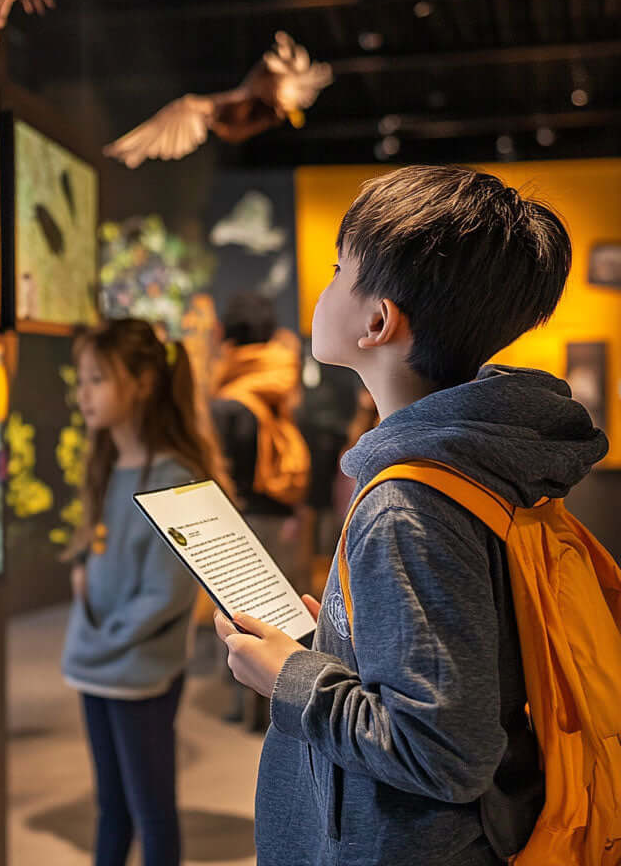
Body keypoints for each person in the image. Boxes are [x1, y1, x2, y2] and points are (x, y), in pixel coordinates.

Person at [215, 167, 608, 866]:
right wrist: (336, 653)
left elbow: (442, 750)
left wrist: (288, 679)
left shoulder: (409, 505)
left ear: (377, 321)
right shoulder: (481, 460)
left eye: (340, 270)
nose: (323, 287)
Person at [61, 318, 231, 866]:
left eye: (97, 379)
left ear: (141, 383)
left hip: (138, 672)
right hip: (99, 664)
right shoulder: (109, 464)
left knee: (151, 812)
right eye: (80, 379)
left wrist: (99, 635)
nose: (83, 393)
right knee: (111, 808)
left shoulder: (175, 478)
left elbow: (165, 595)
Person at [210, 293, 310, 727]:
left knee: (238, 617)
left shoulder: (229, 399)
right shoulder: (277, 386)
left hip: (241, 519)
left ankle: (245, 706)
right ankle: (273, 706)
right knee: (276, 614)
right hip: (281, 513)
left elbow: (218, 473)